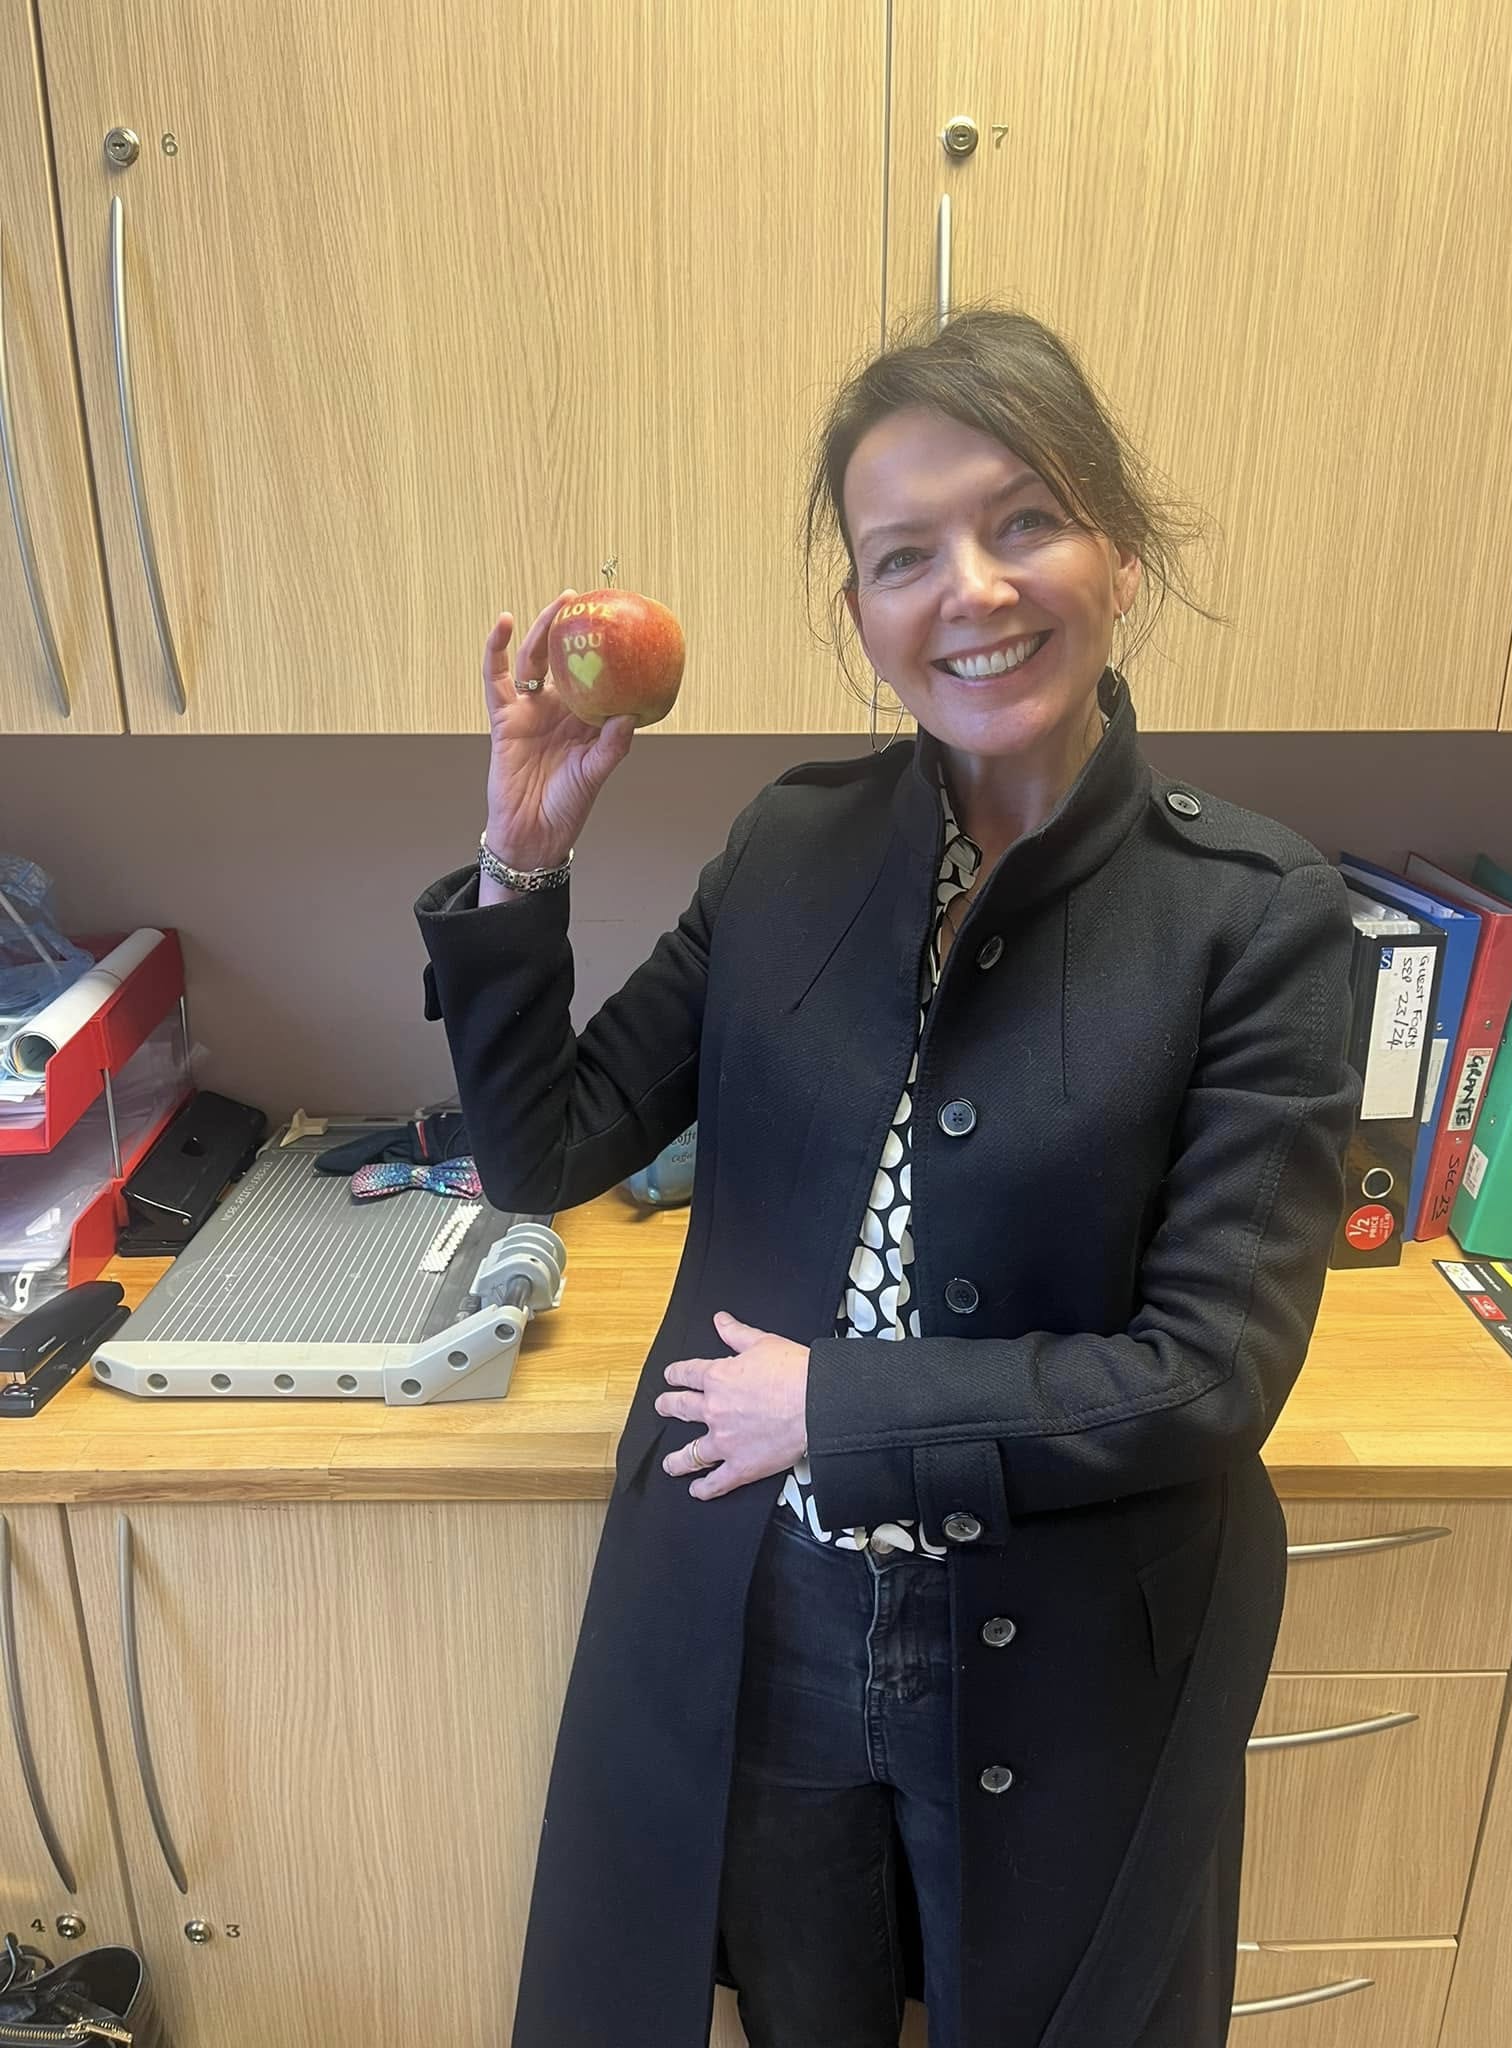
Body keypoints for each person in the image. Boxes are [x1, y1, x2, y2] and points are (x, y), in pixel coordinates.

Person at [414, 304, 1360, 2048]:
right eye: (904, 554)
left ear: (1119, 552)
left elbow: (1208, 1377)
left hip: (1069, 1641)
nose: (972, 592)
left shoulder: (1257, 920)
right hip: (768, 1610)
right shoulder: (792, 844)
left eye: (1025, 520)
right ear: (859, 611)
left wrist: (834, 1408)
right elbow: (545, 1148)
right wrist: (518, 861)